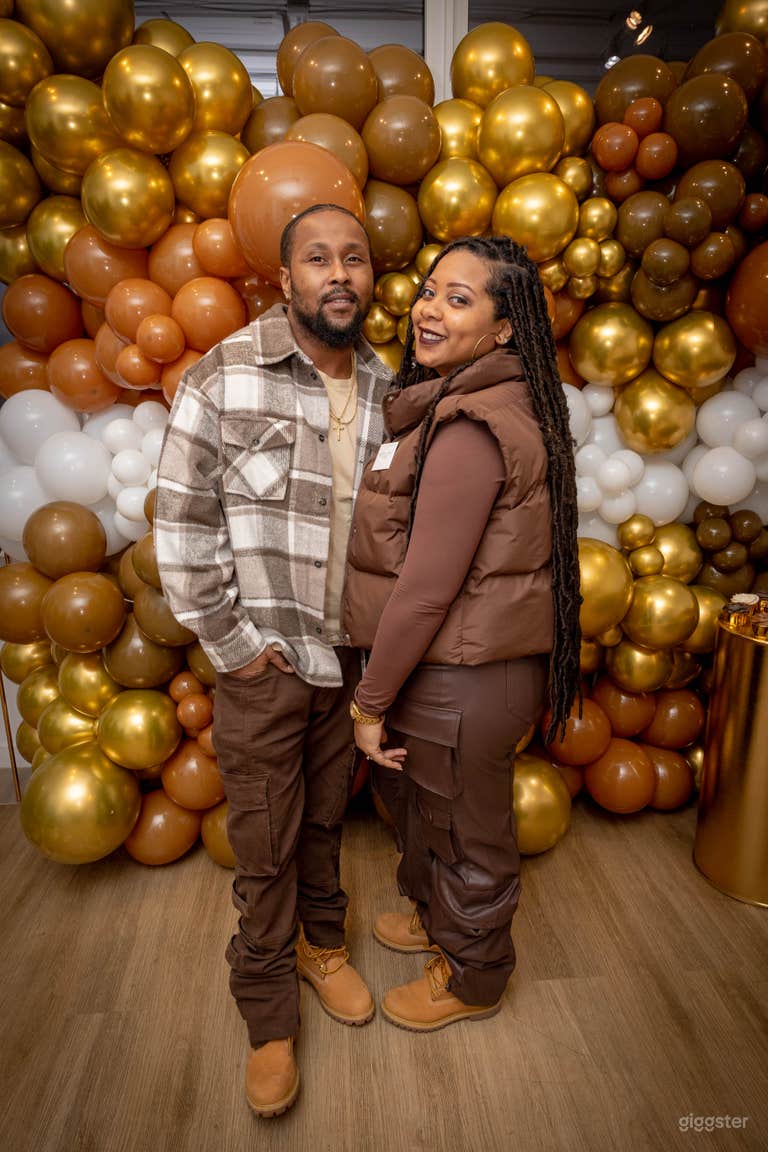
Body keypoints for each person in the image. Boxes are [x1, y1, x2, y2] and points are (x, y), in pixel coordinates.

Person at [154, 204, 393, 1116]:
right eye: (319, 259)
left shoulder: (385, 389)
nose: (340, 274)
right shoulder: (226, 379)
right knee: (264, 841)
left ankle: (322, 945)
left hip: (349, 659)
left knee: (328, 818)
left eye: (356, 259)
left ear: (371, 279)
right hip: (267, 663)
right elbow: (180, 521)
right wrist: (237, 650)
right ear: (283, 280)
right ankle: (268, 1013)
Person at [343, 235, 582, 1032]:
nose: (429, 310)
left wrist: (368, 702)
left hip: (465, 680)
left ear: (506, 326)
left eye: (459, 298)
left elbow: (424, 590)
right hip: (461, 672)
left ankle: (474, 976)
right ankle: (438, 920)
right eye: (429, 291)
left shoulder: (472, 427)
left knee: (469, 833)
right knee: (431, 815)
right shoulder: (481, 402)